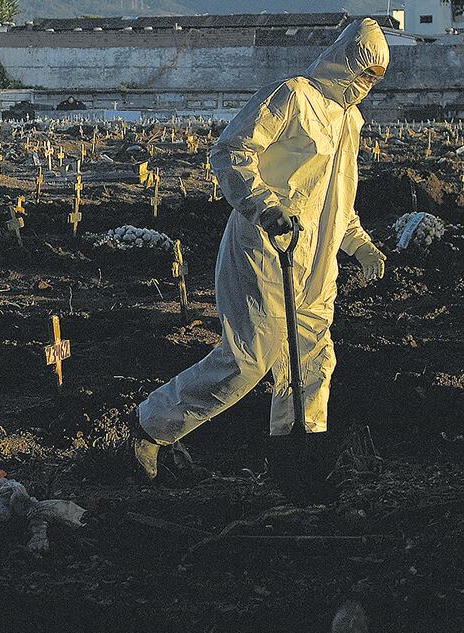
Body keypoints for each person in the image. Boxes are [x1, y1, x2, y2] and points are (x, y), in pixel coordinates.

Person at [131, 18, 390, 480]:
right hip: (267, 249)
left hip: (317, 262)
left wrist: (360, 245)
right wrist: (264, 207)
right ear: (346, 60)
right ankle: (151, 426)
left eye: (376, 78)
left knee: (312, 361)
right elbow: (231, 151)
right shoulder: (293, 96)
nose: (366, 84)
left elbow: (337, 199)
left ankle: (297, 463)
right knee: (248, 360)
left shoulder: (350, 121)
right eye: (364, 72)